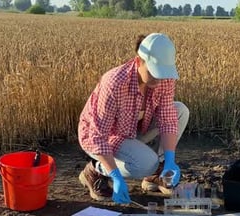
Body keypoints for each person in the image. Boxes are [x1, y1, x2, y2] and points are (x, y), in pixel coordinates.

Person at [77, 33, 190, 204]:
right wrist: (115, 175)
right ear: (139, 61)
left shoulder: (164, 79)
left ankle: (156, 174)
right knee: (146, 163)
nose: (159, 79)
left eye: (162, 74)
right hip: (104, 136)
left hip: (135, 129)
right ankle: (95, 170)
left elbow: (167, 119)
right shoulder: (114, 83)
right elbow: (98, 136)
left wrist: (169, 160)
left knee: (180, 110)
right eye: (153, 72)